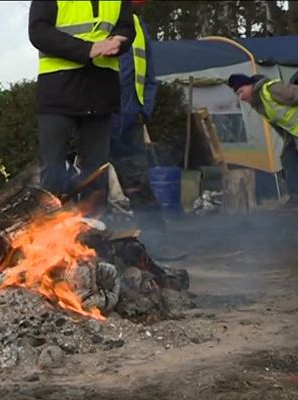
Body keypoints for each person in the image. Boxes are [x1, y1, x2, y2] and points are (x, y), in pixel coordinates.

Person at [28, 0, 135, 212]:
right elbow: (38, 32)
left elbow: (126, 26)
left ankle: (94, 230)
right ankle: (48, 231)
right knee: (54, 169)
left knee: (97, 171)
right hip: (59, 88)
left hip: (101, 88)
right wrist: (88, 49)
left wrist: (120, 41)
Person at [107, 0, 186, 261]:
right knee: (91, 189)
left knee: (139, 186)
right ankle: (89, 253)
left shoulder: (138, 25)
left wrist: (144, 110)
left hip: (130, 122)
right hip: (98, 119)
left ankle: (157, 246)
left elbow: (148, 74)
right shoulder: (99, 18)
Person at [227, 73, 298, 207]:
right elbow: (278, 123)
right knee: (287, 159)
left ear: (251, 85)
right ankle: (296, 199)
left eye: (241, 91)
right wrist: (286, 140)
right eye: (238, 94)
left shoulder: (272, 89)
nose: (241, 97)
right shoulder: (258, 103)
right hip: (293, 131)